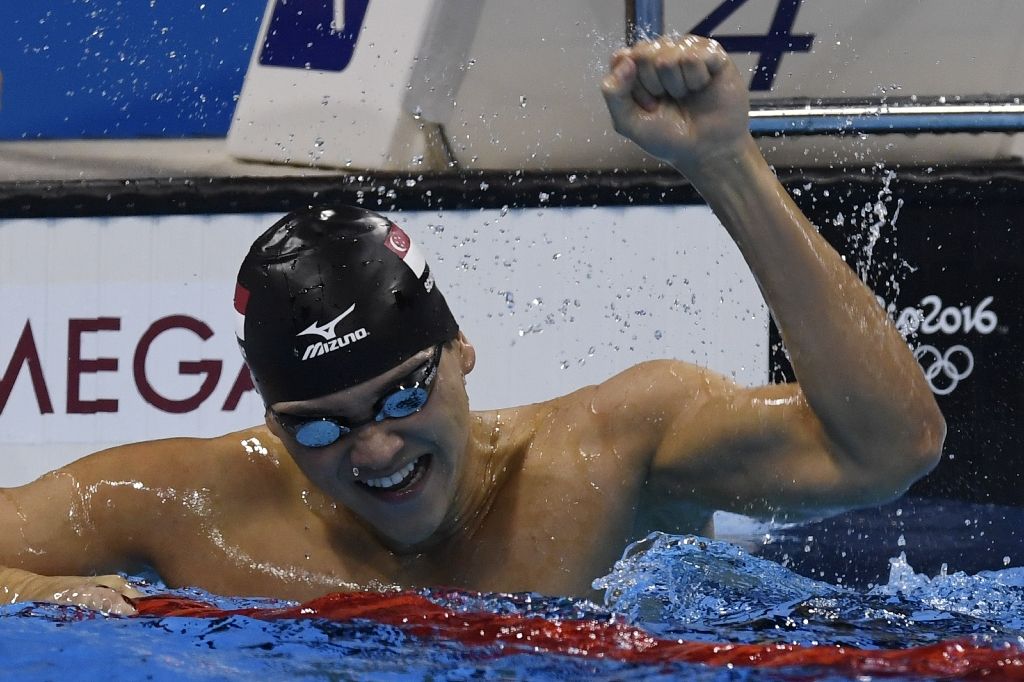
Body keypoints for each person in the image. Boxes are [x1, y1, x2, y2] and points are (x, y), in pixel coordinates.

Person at [0, 36, 944, 614]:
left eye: (401, 394)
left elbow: (888, 451)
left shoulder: (610, 454)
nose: (372, 452)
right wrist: (40, 592)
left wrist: (728, 165)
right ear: (271, 418)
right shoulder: (191, 503)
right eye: (319, 426)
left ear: (460, 350)